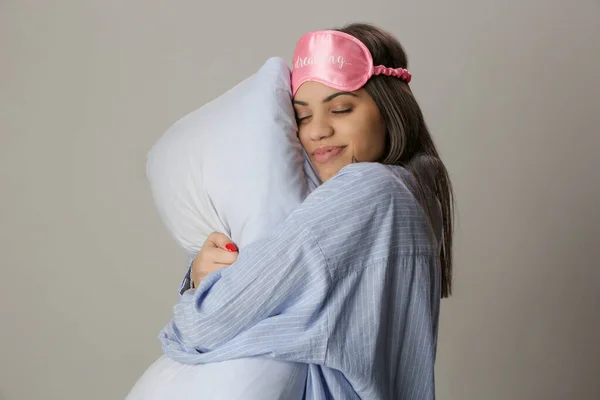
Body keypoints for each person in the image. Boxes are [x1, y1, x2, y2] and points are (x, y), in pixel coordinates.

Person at [159, 22, 454, 399]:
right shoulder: (417, 194)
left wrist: (198, 286)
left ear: (389, 110)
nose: (317, 132)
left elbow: (203, 325)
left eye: (341, 108)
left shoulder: (366, 190)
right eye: (302, 116)